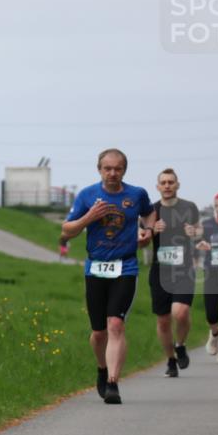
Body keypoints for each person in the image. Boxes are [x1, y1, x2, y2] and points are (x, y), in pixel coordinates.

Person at [61, 149, 155, 404]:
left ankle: (113, 382)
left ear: (124, 170)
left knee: (116, 324)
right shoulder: (87, 195)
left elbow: (148, 212)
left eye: (118, 168)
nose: (113, 173)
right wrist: (90, 216)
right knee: (99, 332)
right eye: (107, 168)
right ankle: (102, 368)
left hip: (125, 267)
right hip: (96, 267)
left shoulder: (136, 194)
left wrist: (147, 230)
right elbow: (67, 230)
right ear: (99, 169)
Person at [146, 168, 201, 377]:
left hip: (184, 269)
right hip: (160, 271)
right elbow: (142, 239)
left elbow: (199, 230)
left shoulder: (189, 207)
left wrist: (194, 233)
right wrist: (152, 231)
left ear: (177, 185)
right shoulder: (151, 210)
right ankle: (170, 360)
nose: (167, 185)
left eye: (171, 182)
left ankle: (181, 345)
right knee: (163, 320)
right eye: (163, 182)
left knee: (181, 312)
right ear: (158, 187)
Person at [197, 192, 218, 364]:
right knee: (211, 313)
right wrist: (201, 244)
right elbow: (198, 241)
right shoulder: (207, 224)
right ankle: (214, 333)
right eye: (216, 206)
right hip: (212, 272)